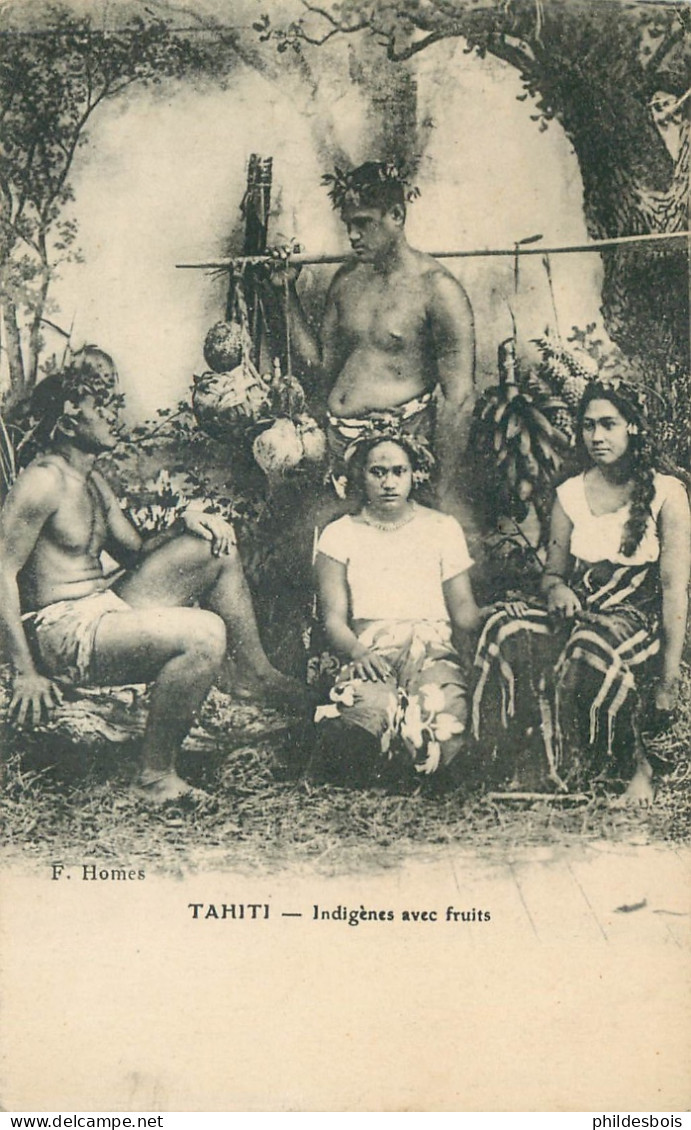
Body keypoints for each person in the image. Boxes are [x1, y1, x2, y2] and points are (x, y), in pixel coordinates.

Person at [0, 360, 305, 803]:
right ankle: (154, 776)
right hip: (61, 630)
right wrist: (24, 671)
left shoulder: (92, 481)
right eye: (99, 405)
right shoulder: (42, 481)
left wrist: (187, 520)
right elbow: (1, 569)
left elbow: (137, 551)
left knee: (214, 545)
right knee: (204, 633)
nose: (112, 414)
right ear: (68, 419)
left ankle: (253, 675)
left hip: (101, 608)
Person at [472, 379, 691, 802]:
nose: (597, 436)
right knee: (505, 627)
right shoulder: (570, 493)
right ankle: (525, 763)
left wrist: (669, 679)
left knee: (590, 644)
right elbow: (553, 574)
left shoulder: (667, 493)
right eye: (588, 426)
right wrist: (555, 590)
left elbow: (674, 590)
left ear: (633, 427)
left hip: (636, 617)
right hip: (580, 607)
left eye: (609, 424)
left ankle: (633, 765)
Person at [270, 161, 477, 535]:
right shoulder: (347, 280)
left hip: (396, 452)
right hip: (338, 448)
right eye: (348, 223)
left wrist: (437, 487)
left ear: (396, 215)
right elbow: (318, 366)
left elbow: (460, 399)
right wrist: (286, 293)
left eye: (363, 223)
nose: (352, 235)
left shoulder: (438, 290)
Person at [313, 431, 480, 786]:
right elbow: (332, 619)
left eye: (398, 471)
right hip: (370, 650)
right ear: (360, 476)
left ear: (413, 474)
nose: (389, 482)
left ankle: (412, 763)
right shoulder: (340, 534)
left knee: (442, 723)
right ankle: (377, 756)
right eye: (377, 472)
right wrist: (358, 651)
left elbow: (464, 610)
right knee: (366, 715)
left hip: (432, 651)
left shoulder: (442, 527)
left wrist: (501, 612)